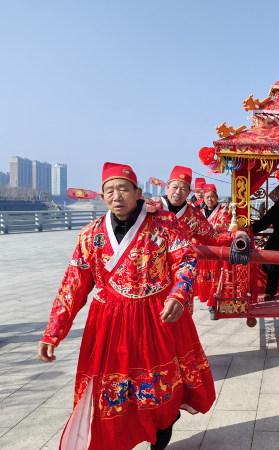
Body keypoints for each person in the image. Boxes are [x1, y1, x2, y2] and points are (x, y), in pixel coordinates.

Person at [37, 162, 216, 450]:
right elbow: (73, 284)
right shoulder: (90, 234)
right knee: (110, 395)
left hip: (158, 319)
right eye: (110, 191)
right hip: (110, 324)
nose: (116, 196)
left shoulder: (165, 223)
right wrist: (52, 333)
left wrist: (178, 294)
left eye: (123, 189)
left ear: (138, 192)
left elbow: (185, 259)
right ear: (102, 196)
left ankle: (159, 439)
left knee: (160, 393)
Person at [155, 167, 240, 317]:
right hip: (153, 277)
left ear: (189, 192)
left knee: (180, 319)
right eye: (175, 187)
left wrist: (236, 235)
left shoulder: (194, 215)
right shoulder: (152, 209)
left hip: (181, 276)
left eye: (183, 189)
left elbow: (211, 236)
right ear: (167, 187)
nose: (178, 192)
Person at [196, 184, 233, 320]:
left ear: (217, 198)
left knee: (218, 278)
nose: (210, 199)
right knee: (207, 279)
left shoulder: (224, 211)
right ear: (203, 199)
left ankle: (214, 305)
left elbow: (228, 228)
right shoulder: (199, 213)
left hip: (218, 251)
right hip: (205, 252)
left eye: (212, 197)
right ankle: (211, 303)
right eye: (207, 197)